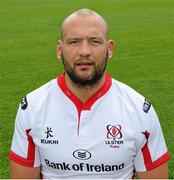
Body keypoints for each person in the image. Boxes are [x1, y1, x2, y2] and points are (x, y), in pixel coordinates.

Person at [9, 8, 170, 179]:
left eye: (94, 41)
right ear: (59, 49)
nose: (84, 51)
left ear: (110, 48)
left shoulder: (139, 110)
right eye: (74, 42)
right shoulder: (32, 106)